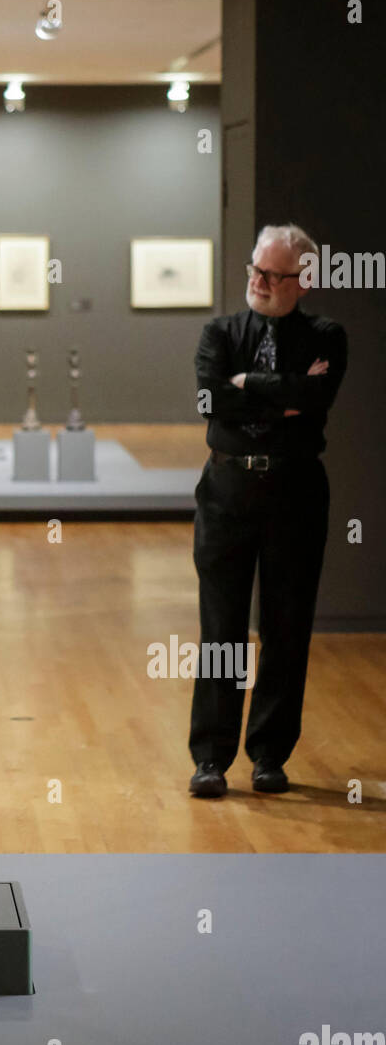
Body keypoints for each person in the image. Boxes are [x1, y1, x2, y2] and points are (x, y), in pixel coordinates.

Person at [188, 224, 347, 797]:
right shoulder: (220, 332)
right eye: (255, 269)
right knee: (221, 629)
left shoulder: (327, 337)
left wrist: (249, 382)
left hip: (296, 494)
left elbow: (316, 399)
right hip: (227, 493)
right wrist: (282, 396)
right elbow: (211, 398)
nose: (258, 281)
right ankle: (210, 757)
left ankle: (269, 756)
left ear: (303, 280)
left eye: (272, 275)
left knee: (286, 627)